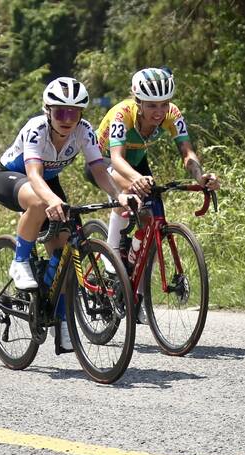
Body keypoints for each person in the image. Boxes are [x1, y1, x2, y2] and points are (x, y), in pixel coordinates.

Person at [0, 76, 134, 350]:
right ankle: (20, 261)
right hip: (13, 176)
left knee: (67, 251)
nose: (67, 119)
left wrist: (118, 196)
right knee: (39, 202)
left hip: (48, 181)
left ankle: (63, 319)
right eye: (60, 112)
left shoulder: (84, 131)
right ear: (48, 110)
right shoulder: (36, 129)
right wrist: (52, 201)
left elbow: (99, 169)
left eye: (74, 112)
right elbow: (33, 174)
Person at [85, 67, 221, 321]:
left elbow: (187, 153)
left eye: (164, 104)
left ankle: (137, 294)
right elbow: (116, 158)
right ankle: (112, 259)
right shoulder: (122, 114)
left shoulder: (173, 114)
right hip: (103, 162)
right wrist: (136, 179)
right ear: (138, 102)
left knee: (153, 223)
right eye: (151, 106)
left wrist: (200, 176)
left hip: (137, 162)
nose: (159, 112)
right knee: (127, 191)